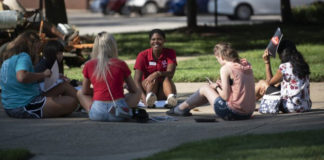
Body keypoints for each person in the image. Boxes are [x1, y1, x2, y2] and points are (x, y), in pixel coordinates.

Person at [167, 43, 256, 120]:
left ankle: (180, 109)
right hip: (248, 113)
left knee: (205, 89)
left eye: (217, 59)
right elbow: (238, 88)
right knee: (210, 89)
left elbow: (225, 96)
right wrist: (220, 86)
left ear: (221, 57)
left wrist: (216, 87)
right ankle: (183, 108)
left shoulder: (226, 68)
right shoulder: (246, 64)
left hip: (233, 113)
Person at [0, 30, 78, 118]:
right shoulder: (24, 56)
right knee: (72, 102)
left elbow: (22, 79)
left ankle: (86, 102)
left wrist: (51, 76)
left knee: (63, 86)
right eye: (37, 48)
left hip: (11, 106)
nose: (38, 52)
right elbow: (22, 77)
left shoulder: (7, 61)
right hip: (24, 105)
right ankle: (88, 104)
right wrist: (43, 74)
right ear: (31, 46)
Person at [77, 32, 141, 121]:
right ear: (113, 46)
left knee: (80, 93)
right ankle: (126, 110)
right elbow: (134, 90)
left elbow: (85, 91)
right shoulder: (121, 64)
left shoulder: (89, 65)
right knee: (138, 92)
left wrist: (99, 91)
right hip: (118, 113)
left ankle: (91, 110)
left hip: (97, 114)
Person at [255, 40, 311, 113]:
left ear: (282, 53)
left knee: (262, 83)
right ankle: (250, 104)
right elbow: (274, 84)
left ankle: (245, 105)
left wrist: (267, 62)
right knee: (278, 84)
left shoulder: (285, 66)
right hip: (305, 106)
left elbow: (269, 82)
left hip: (291, 106)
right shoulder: (303, 64)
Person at [134, 29, 177, 108]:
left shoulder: (170, 53)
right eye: (153, 39)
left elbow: (171, 72)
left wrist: (157, 73)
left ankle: (171, 99)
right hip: (148, 87)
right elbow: (136, 81)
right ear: (150, 41)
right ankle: (149, 98)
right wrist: (143, 99)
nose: (156, 42)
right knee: (153, 80)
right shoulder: (142, 55)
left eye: (159, 39)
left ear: (164, 40)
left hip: (163, 89)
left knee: (166, 78)